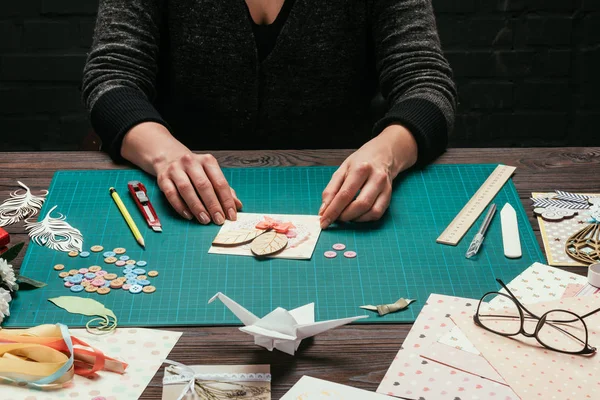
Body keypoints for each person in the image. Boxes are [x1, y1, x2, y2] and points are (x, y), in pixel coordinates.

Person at [82, 0, 456, 229]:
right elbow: (113, 75)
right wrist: (164, 154)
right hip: (184, 192)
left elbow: (425, 80)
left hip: (345, 191)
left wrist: (386, 155)